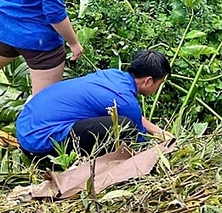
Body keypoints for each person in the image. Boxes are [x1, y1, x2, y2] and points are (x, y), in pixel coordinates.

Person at [16, 50, 173, 159]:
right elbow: (140, 139)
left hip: (26, 127)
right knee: (126, 128)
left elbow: (134, 115)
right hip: (38, 146)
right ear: (148, 81)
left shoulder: (112, 75)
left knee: (121, 121)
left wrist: (159, 132)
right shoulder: (126, 102)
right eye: (160, 83)